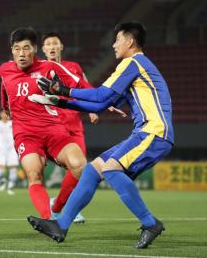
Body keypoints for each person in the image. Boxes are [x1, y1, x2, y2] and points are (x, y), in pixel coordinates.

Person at [27, 22, 174, 249]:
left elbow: (100, 94)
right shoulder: (134, 66)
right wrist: (59, 101)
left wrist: (63, 91)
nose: (113, 45)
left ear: (130, 41)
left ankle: (150, 222)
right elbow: (100, 105)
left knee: (110, 169)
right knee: (92, 169)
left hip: (153, 131)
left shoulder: (133, 63)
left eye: (117, 40)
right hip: (143, 132)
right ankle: (61, 224)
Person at [0, 27, 90, 221]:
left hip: (53, 129)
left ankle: (56, 208)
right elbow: (5, 96)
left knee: (80, 166)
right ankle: (49, 220)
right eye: (16, 49)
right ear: (11, 50)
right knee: (34, 174)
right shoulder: (4, 70)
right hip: (26, 134)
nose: (21, 54)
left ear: (35, 49)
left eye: (26, 48)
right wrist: (5, 107)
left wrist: (104, 101)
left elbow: (81, 84)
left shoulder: (49, 67)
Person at [42, 32, 103, 223]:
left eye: (55, 43)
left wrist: (93, 109)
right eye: (48, 44)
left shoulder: (74, 67)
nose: (51, 47)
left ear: (61, 47)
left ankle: (60, 206)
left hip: (74, 124)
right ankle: (64, 207)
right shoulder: (39, 69)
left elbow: (84, 88)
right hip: (52, 125)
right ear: (43, 50)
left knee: (79, 168)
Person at [0, 110, 19, 195]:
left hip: (12, 149)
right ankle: (2, 181)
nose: (5, 115)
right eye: (3, 113)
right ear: (0, 115)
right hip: (1, 149)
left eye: (6, 114)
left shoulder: (13, 123)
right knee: (1, 167)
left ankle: (11, 187)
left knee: (13, 167)